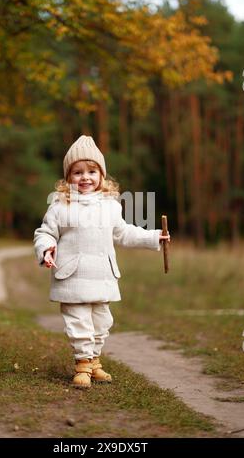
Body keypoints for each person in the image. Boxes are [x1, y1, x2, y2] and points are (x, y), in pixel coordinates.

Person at [33, 135, 170, 389]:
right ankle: (82, 364)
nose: (85, 177)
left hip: (102, 275)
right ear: (68, 177)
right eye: (78, 172)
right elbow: (45, 233)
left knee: (101, 322)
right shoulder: (61, 205)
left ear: (101, 175)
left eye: (92, 171)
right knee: (78, 321)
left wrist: (154, 237)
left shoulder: (110, 206)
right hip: (72, 276)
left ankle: (94, 361)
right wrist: (46, 249)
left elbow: (124, 232)